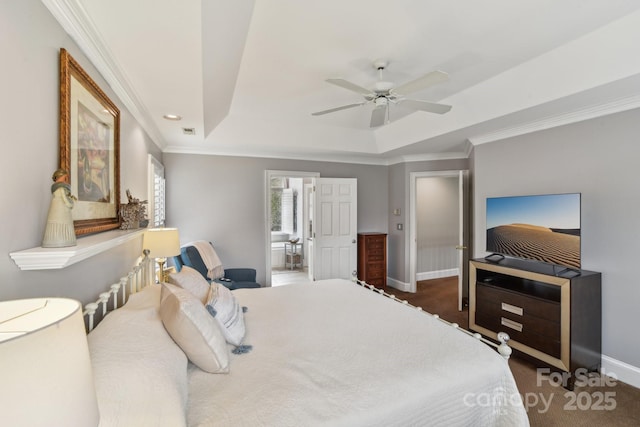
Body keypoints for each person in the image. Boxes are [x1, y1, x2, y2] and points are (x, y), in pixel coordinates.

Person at [42, 168, 77, 247]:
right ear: (61, 177)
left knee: (55, 222)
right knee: (62, 221)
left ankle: (54, 239)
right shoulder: (62, 188)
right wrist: (71, 203)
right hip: (61, 209)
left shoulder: (55, 188)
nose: (66, 180)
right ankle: (64, 239)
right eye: (65, 178)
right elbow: (65, 199)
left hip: (55, 207)